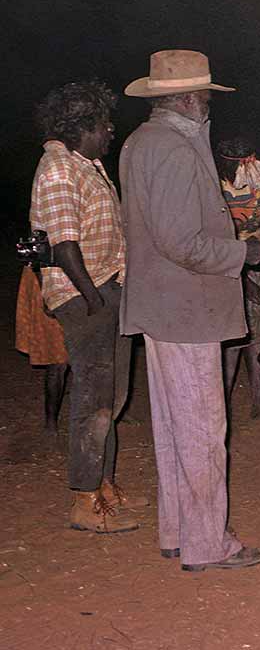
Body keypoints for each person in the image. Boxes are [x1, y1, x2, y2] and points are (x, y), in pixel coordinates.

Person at [120, 49, 260, 571]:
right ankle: (208, 544)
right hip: (187, 308)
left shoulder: (141, 143)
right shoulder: (176, 151)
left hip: (160, 307)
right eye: (205, 96)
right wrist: (240, 253)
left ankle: (178, 531)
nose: (209, 105)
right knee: (204, 430)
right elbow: (182, 242)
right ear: (187, 98)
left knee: (173, 426)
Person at [29, 80, 142, 534]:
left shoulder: (86, 165)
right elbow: (63, 244)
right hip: (84, 294)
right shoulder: (58, 169)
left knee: (110, 397)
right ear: (80, 126)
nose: (110, 131)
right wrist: (93, 298)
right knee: (93, 400)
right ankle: (84, 499)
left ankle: (105, 487)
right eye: (102, 124)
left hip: (102, 288)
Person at [216, 137, 260, 420]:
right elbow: (213, 240)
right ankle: (224, 405)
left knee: (257, 336)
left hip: (255, 261)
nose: (248, 168)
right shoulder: (212, 187)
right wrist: (241, 279)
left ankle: (258, 401)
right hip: (221, 265)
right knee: (231, 340)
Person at [14, 257, 68, 435]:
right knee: (58, 360)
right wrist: (46, 293)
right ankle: (51, 421)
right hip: (50, 278)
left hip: (74, 279)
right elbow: (39, 255)